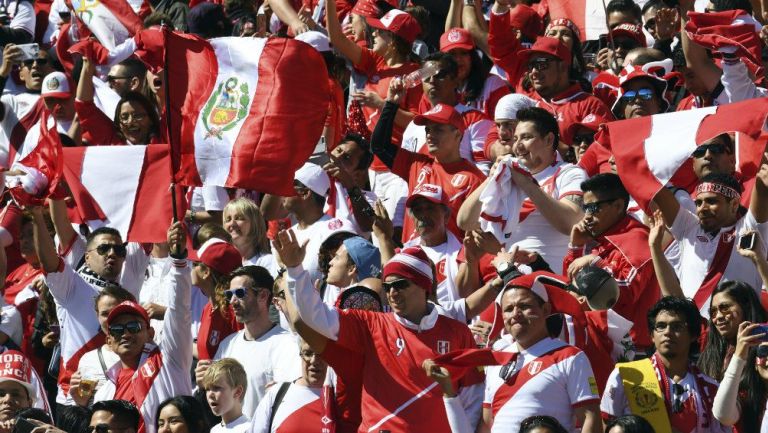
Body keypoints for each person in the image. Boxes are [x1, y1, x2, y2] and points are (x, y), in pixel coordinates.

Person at [276, 232, 485, 433]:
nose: (393, 292)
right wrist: (295, 270)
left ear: (424, 286)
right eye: (387, 286)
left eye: (401, 284)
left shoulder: (457, 333)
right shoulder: (370, 324)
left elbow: (472, 402)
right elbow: (315, 317)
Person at [91, 222, 193, 433]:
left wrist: (179, 260)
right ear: (109, 340)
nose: (126, 333)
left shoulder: (170, 359)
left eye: (134, 326)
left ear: (150, 332)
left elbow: (179, 310)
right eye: (117, 330)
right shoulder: (106, 390)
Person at [458, 107, 587, 273]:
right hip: (511, 280)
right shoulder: (506, 178)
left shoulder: (569, 173)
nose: (518, 146)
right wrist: (492, 179)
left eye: (526, 137)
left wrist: (526, 183)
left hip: (552, 281)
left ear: (548, 140)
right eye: (515, 138)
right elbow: (465, 221)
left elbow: (571, 223)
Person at [480, 273, 601, 433]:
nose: (515, 314)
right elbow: (487, 423)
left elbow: (590, 419)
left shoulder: (570, 356)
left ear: (545, 310)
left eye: (524, 306)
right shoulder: (495, 360)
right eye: (508, 309)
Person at [601, 297, 730, 433]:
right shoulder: (625, 376)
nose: (667, 332)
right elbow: (605, 427)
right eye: (661, 326)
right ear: (651, 335)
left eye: (677, 326)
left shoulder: (711, 389)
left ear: (693, 335)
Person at [652, 164, 768, 317]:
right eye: (698, 203)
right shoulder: (688, 228)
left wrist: (761, 178)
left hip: (741, 336)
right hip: (694, 335)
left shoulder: (750, 229)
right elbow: (650, 187)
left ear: (733, 205)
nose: (702, 208)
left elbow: (762, 188)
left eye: (712, 201)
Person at [371, 96, 485, 242]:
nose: (430, 135)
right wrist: (391, 104)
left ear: (457, 134)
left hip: (449, 260)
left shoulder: (475, 180)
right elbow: (379, 146)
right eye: (428, 130)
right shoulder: (416, 164)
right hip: (413, 257)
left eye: (438, 129)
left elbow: (477, 234)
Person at [564, 173, 658, 349]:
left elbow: (622, 296)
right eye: (585, 208)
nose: (587, 216)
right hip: (601, 343)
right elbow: (573, 287)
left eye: (594, 208)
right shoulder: (604, 241)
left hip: (632, 351)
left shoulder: (636, 239)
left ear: (618, 205)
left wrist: (595, 261)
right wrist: (575, 247)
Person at [198, 266, 301, 417]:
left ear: (263, 296)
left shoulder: (287, 344)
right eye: (229, 294)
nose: (232, 301)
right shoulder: (227, 345)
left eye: (239, 293)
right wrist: (206, 385)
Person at [698, 281, 766, 432]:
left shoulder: (764, 348)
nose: (718, 317)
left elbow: (725, 415)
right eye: (713, 312)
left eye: (725, 308)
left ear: (746, 306)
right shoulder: (711, 351)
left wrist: (740, 355)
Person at [68, 285, 136, 407]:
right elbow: (84, 403)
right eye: (105, 314)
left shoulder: (148, 355)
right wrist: (79, 402)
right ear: (97, 316)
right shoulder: (88, 360)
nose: (111, 318)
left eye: (116, 311)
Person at [75, 56, 162, 146]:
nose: (130, 121)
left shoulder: (163, 140)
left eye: (138, 116)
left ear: (151, 119)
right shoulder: (113, 141)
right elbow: (84, 106)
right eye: (124, 117)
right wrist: (87, 64)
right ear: (118, 124)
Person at [250, 339, 330, 433]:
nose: (314, 361)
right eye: (308, 353)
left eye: (320, 354)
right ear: (300, 355)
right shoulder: (278, 393)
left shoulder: (339, 398)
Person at [191, 238, 245, 361]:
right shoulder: (208, 307)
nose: (191, 267)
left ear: (206, 272)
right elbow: (208, 354)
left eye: (195, 264)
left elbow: (242, 358)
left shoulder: (235, 310)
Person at [439, 27, 510, 118]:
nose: (458, 59)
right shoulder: (435, 87)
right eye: (452, 54)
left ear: (472, 57)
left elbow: (501, 126)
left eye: (463, 53)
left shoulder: (493, 84)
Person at [222, 198, 278, 276]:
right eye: (228, 219)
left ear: (254, 223)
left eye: (239, 218)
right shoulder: (221, 263)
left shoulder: (267, 261)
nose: (232, 223)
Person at [323, 236, 381, 305]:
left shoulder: (355, 306)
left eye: (337, 257)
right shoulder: (326, 290)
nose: (330, 262)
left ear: (352, 269)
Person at [202, 358, 249, 433]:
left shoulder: (250, 429)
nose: (210, 394)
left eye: (217, 388)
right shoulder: (214, 430)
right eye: (207, 389)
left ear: (237, 391)